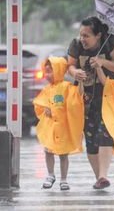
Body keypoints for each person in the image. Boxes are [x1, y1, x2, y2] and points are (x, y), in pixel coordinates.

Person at [67, 16, 114, 189]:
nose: (82, 39)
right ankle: (99, 177)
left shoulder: (111, 42)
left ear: (98, 35)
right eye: (81, 35)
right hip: (85, 97)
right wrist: (75, 72)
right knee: (90, 138)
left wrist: (102, 62)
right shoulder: (76, 45)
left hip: (108, 95)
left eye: (86, 35)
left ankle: (103, 175)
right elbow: (69, 66)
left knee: (105, 133)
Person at [33, 57, 84, 191]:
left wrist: (80, 83)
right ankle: (50, 175)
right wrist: (45, 108)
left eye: (51, 71)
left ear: (60, 71)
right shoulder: (46, 89)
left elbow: (75, 100)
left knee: (63, 154)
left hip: (63, 127)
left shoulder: (67, 87)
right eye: (46, 71)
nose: (47, 75)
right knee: (48, 151)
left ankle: (63, 179)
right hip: (50, 127)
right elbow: (39, 103)